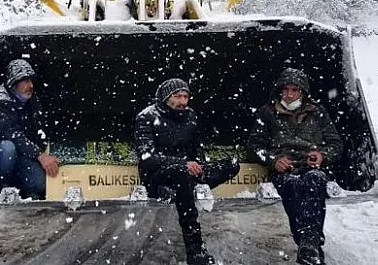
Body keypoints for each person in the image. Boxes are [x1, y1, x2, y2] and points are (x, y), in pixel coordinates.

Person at [134, 78, 240, 265]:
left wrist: (198, 165)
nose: (182, 101)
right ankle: (195, 249)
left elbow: (196, 148)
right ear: (166, 98)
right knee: (181, 175)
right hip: (158, 174)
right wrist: (183, 164)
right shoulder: (147, 117)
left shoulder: (191, 115)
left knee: (231, 164)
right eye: (177, 96)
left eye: (185, 96)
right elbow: (147, 158)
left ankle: (180, 190)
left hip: (186, 171)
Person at [246, 68, 343, 265]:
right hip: (284, 170)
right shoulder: (267, 113)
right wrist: (274, 160)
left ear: (303, 92)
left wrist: (321, 156)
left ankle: (308, 245)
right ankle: (311, 243)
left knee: (315, 180)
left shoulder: (318, 113)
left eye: (294, 90)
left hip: (312, 168)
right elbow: (253, 147)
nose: (289, 94)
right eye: (286, 90)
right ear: (280, 91)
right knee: (291, 185)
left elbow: (336, 144)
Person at [0, 59, 60, 200]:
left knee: (41, 182)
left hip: (22, 154)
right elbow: (12, 134)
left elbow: (40, 130)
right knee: (7, 148)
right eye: (25, 81)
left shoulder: (30, 100)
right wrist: (40, 155)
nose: (30, 85)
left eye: (31, 81)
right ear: (13, 83)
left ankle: (22, 189)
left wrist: (49, 151)